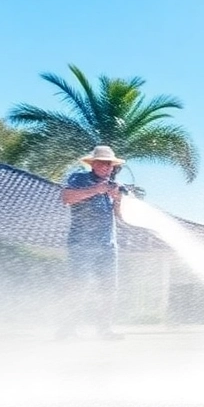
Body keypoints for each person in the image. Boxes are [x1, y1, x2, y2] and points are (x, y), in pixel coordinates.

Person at [58, 145, 126, 340]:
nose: (106, 167)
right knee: (78, 285)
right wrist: (97, 189)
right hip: (81, 243)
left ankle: (104, 329)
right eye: (102, 163)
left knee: (108, 287)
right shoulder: (79, 178)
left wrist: (118, 199)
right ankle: (68, 328)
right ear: (93, 164)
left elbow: (120, 217)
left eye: (109, 164)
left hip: (107, 245)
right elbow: (67, 198)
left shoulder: (116, 186)